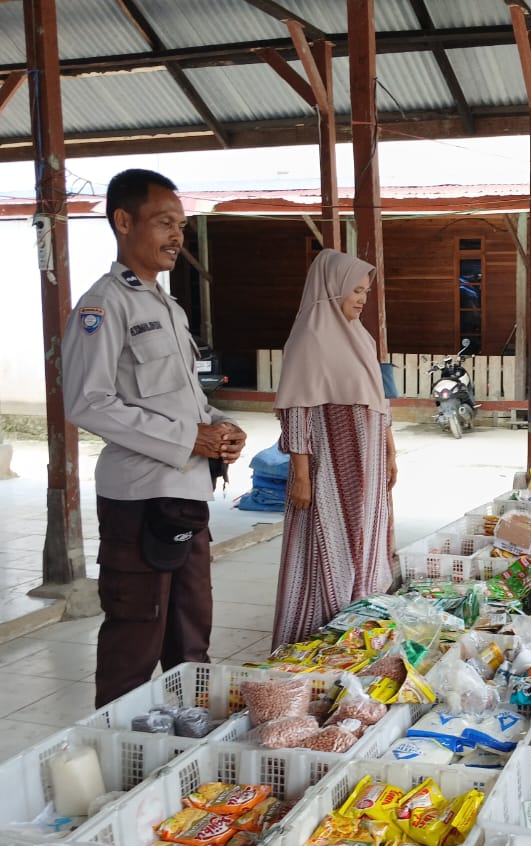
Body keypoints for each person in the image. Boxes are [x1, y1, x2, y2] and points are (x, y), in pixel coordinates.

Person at [63, 169, 246, 709]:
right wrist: (189, 439)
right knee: (135, 641)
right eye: (164, 222)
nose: (176, 236)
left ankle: (189, 750)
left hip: (186, 497)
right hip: (139, 499)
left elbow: (189, 399)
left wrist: (222, 428)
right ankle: (118, 757)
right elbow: (87, 403)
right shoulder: (103, 306)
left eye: (181, 226)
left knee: (191, 637)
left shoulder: (169, 308)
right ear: (124, 222)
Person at [271, 249, 397, 649]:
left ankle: (356, 638)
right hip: (329, 468)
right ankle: (317, 641)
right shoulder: (309, 337)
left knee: (366, 547)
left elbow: (379, 402)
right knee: (328, 550)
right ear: (331, 288)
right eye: (355, 291)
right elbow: (297, 409)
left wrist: (390, 453)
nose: (361, 299)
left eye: (365, 291)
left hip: (368, 465)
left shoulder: (359, 335)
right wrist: (303, 476)